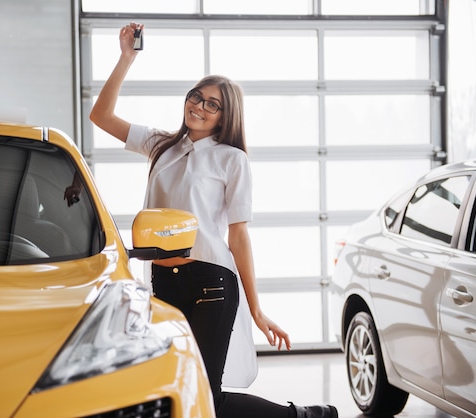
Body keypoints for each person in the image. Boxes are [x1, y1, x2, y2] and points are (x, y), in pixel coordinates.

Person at [90, 22, 338, 418]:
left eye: (212, 104)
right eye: (196, 97)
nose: (199, 107)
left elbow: (238, 237)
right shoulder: (160, 145)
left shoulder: (231, 160)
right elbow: (100, 115)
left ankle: (305, 416)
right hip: (161, 282)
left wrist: (256, 310)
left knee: (206, 397)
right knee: (172, 389)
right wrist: (126, 58)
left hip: (211, 282)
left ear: (225, 117)